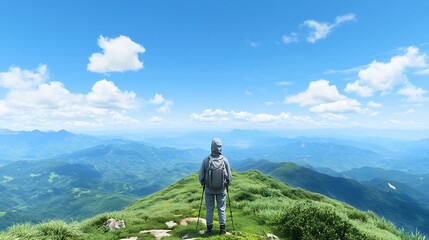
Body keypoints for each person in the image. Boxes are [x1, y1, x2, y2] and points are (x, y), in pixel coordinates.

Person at [199, 137, 232, 234]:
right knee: (221, 208)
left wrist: (204, 184)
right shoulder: (225, 160)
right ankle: (222, 229)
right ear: (220, 147)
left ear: (211, 147)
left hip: (209, 189)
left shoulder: (206, 160)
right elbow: (229, 177)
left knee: (210, 208)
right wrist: (226, 185)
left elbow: (201, 176)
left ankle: (209, 228)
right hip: (221, 189)